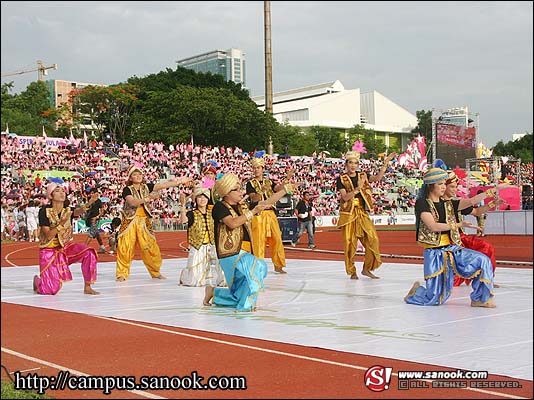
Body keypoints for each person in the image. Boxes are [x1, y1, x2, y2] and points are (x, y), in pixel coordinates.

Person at [404, 168, 495, 308]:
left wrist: (492, 192)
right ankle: (415, 293)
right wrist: (459, 224)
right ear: (431, 185)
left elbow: (471, 202)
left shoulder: (449, 204)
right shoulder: (422, 203)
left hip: (451, 249)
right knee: (435, 299)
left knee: (483, 261)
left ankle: (480, 298)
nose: (443, 187)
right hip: (435, 253)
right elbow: (433, 226)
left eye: (444, 184)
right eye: (440, 184)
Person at [203, 173, 293, 311]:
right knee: (257, 268)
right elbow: (232, 223)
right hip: (230, 253)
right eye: (237, 189)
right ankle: (246, 305)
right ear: (227, 192)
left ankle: (215, 293)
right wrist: (253, 212)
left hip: (245, 250)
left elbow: (266, 203)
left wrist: (284, 190)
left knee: (241, 289)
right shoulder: (219, 207)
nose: (241, 192)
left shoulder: (242, 206)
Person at [115, 165, 193, 282]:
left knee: (150, 247)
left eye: (139, 174)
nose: (138, 176)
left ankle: (155, 272)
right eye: (135, 175)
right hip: (130, 221)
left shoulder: (147, 187)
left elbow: (163, 185)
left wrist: (180, 181)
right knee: (125, 247)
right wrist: (148, 198)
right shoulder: (127, 190)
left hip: (144, 221)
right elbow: (133, 202)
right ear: (130, 178)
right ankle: (122, 273)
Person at [336, 146, 397, 279]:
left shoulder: (363, 175)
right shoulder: (341, 179)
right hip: (349, 214)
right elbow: (345, 197)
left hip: (362, 212)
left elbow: (377, 178)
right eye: (350, 162)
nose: (353, 165)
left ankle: (367, 268)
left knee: (373, 239)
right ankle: (352, 271)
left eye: (355, 163)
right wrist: (358, 188)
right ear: (346, 164)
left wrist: (385, 164)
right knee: (349, 243)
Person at [33, 183, 100, 295]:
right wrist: (61, 224)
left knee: (89, 252)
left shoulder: (67, 210)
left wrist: (90, 202)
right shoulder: (44, 211)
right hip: (49, 250)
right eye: (58, 191)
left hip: (64, 248)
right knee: (50, 290)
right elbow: (48, 235)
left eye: (63, 191)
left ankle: (87, 286)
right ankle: (37, 282)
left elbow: (77, 212)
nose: (62, 193)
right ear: (51, 195)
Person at [443, 171, 506, 287]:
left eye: (456, 187)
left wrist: (492, 204)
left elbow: (476, 211)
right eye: (452, 187)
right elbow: (472, 201)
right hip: (447, 240)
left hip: (460, 238)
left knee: (486, 247)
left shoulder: (456, 202)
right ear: (443, 186)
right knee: (451, 282)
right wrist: (493, 190)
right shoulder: (446, 202)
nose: (455, 189)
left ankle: (486, 278)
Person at [246, 157, 293, 274]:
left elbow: (278, 189)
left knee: (276, 238)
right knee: (258, 241)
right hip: (258, 214)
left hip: (271, 213)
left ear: (263, 169)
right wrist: (261, 191)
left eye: (258, 168)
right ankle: (258, 266)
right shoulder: (250, 183)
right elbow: (253, 198)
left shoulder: (269, 181)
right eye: (254, 168)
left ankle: (279, 265)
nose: (256, 170)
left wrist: (287, 178)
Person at [179, 186, 226, 287]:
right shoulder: (192, 213)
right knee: (195, 282)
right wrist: (182, 206)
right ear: (196, 199)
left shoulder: (213, 212)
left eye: (204, 197)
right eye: (200, 197)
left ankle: (223, 280)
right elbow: (184, 221)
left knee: (222, 263)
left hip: (213, 244)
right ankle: (184, 276)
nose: (202, 199)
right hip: (198, 246)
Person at [84, 187, 108, 253]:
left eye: (92, 193)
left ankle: (83, 249)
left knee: (91, 234)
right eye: (90, 193)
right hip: (90, 219)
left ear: (95, 193)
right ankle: (102, 247)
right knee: (97, 234)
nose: (91, 194)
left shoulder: (98, 201)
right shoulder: (89, 200)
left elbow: (102, 211)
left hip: (95, 220)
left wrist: (97, 217)